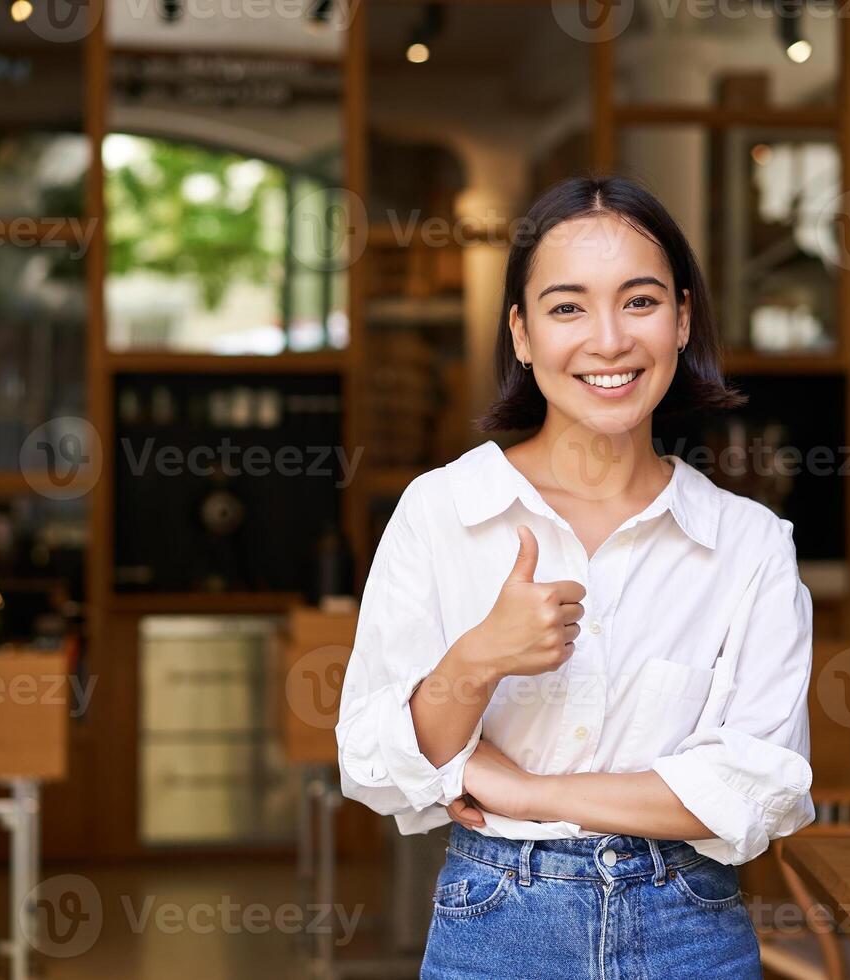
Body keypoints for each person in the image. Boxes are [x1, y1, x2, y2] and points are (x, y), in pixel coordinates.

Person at [335, 175, 815, 978]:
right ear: (520, 333)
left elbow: (756, 789)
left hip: (689, 932)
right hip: (495, 929)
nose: (609, 340)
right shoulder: (444, 511)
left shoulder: (749, 543)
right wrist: (478, 658)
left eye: (639, 301)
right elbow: (376, 763)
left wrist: (526, 794)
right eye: (567, 308)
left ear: (683, 318)